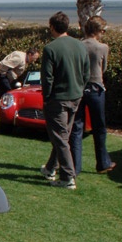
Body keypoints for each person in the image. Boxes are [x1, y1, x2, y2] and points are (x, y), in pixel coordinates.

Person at [39, 11, 90, 190]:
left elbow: (47, 77)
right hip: (75, 97)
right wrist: (79, 89)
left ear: (53, 27)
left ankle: (68, 176)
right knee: (63, 135)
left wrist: (46, 98)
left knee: (60, 138)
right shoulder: (80, 46)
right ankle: (50, 168)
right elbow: (86, 73)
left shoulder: (51, 49)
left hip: (58, 99)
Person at [69, 16, 116, 175]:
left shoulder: (78, 45)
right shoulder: (102, 47)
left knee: (77, 127)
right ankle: (102, 162)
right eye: (103, 30)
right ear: (97, 30)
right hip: (96, 88)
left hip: (79, 88)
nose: (103, 33)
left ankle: (75, 166)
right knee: (99, 127)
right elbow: (103, 69)